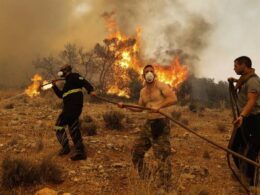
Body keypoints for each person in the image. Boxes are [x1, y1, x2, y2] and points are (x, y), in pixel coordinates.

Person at [119, 64, 177, 192]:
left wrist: (159, 106)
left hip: (161, 122)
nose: (149, 73)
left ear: (154, 74)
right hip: (148, 124)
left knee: (162, 157)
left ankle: (166, 188)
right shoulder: (143, 91)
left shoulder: (161, 86)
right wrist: (125, 106)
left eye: (151, 71)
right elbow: (139, 108)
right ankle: (147, 178)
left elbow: (173, 98)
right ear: (143, 75)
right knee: (136, 152)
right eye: (147, 71)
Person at [52, 64, 96, 161]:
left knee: (58, 126)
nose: (60, 72)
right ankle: (80, 152)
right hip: (71, 108)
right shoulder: (67, 84)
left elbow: (84, 81)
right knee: (73, 128)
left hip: (72, 108)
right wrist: (54, 86)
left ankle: (66, 148)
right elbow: (61, 95)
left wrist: (91, 90)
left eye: (62, 70)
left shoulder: (74, 76)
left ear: (66, 71)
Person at [228, 56, 260, 187]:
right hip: (246, 119)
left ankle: (252, 185)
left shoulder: (253, 81)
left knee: (251, 152)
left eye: (236, 66)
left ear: (244, 66)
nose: (234, 68)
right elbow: (243, 84)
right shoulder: (245, 79)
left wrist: (241, 116)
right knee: (234, 147)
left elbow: (252, 101)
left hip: (255, 119)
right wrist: (234, 81)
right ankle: (245, 173)